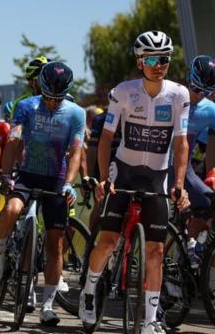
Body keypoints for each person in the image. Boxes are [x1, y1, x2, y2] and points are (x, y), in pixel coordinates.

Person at [80, 30, 190, 334]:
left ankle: (150, 319)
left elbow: (181, 144)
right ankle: (89, 292)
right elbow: (106, 139)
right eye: (152, 59)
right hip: (124, 171)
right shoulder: (123, 92)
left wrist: (178, 183)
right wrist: (104, 179)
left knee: (156, 251)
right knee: (109, 240)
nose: (159, 65)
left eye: (164, 59)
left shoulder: (179, 95)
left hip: (157, 176)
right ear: (140, 61)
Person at [0, 62, 86, 326]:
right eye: (48, 97)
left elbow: (76, 152)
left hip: (56, 177)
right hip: (27, 172)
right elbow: (14, 141)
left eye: (58, 98)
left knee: (56, 243)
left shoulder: (76, 114)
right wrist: (6, 174)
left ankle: (47, 304)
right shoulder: (27, 107)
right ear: (40, 89)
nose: (53, 103)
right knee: (11, 210)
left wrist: (69, 183)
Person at [178, 55, 215, 269]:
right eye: (195, 88)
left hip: (186, 170)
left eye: (207, 92)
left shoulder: (210, 110)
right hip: (157, 167)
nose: (198, 95)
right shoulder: (171, 96)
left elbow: (212, 145)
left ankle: (195, 249)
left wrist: (212, 173)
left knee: (210, 204)